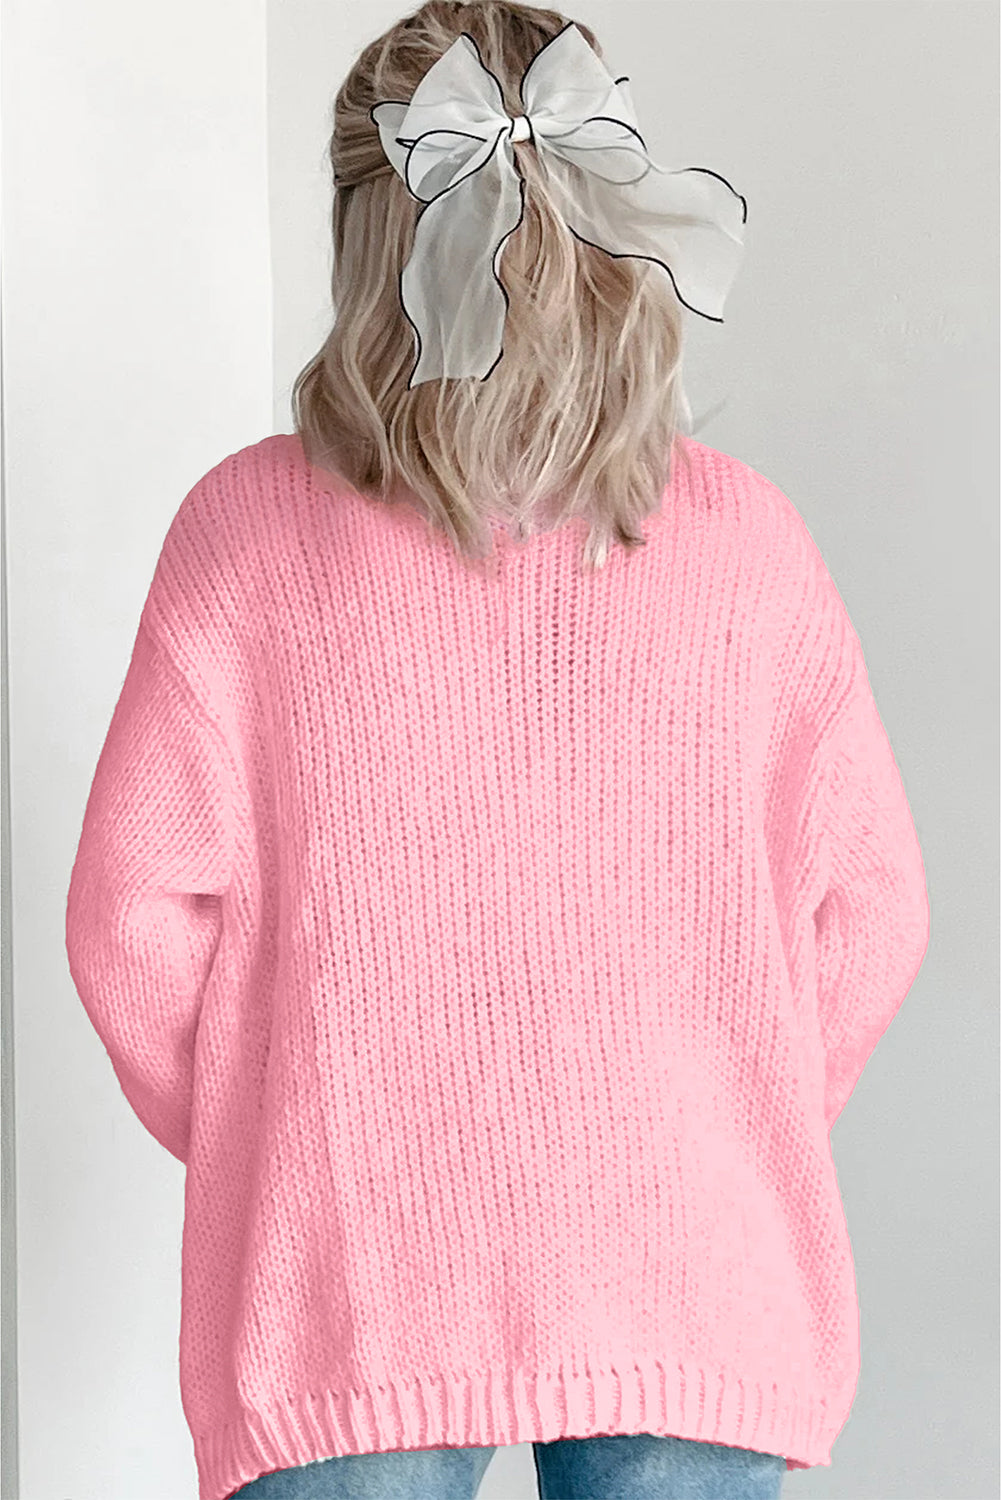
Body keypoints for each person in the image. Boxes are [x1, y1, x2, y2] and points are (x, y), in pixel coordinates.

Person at [64, 4, 930, 1499]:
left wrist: (284, 1123)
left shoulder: (243, 537)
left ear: (364, 244)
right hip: (692, 1253)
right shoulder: (750, 547)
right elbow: (869, 917)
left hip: (351, 1275)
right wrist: (723, 1098)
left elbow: (129, 926)